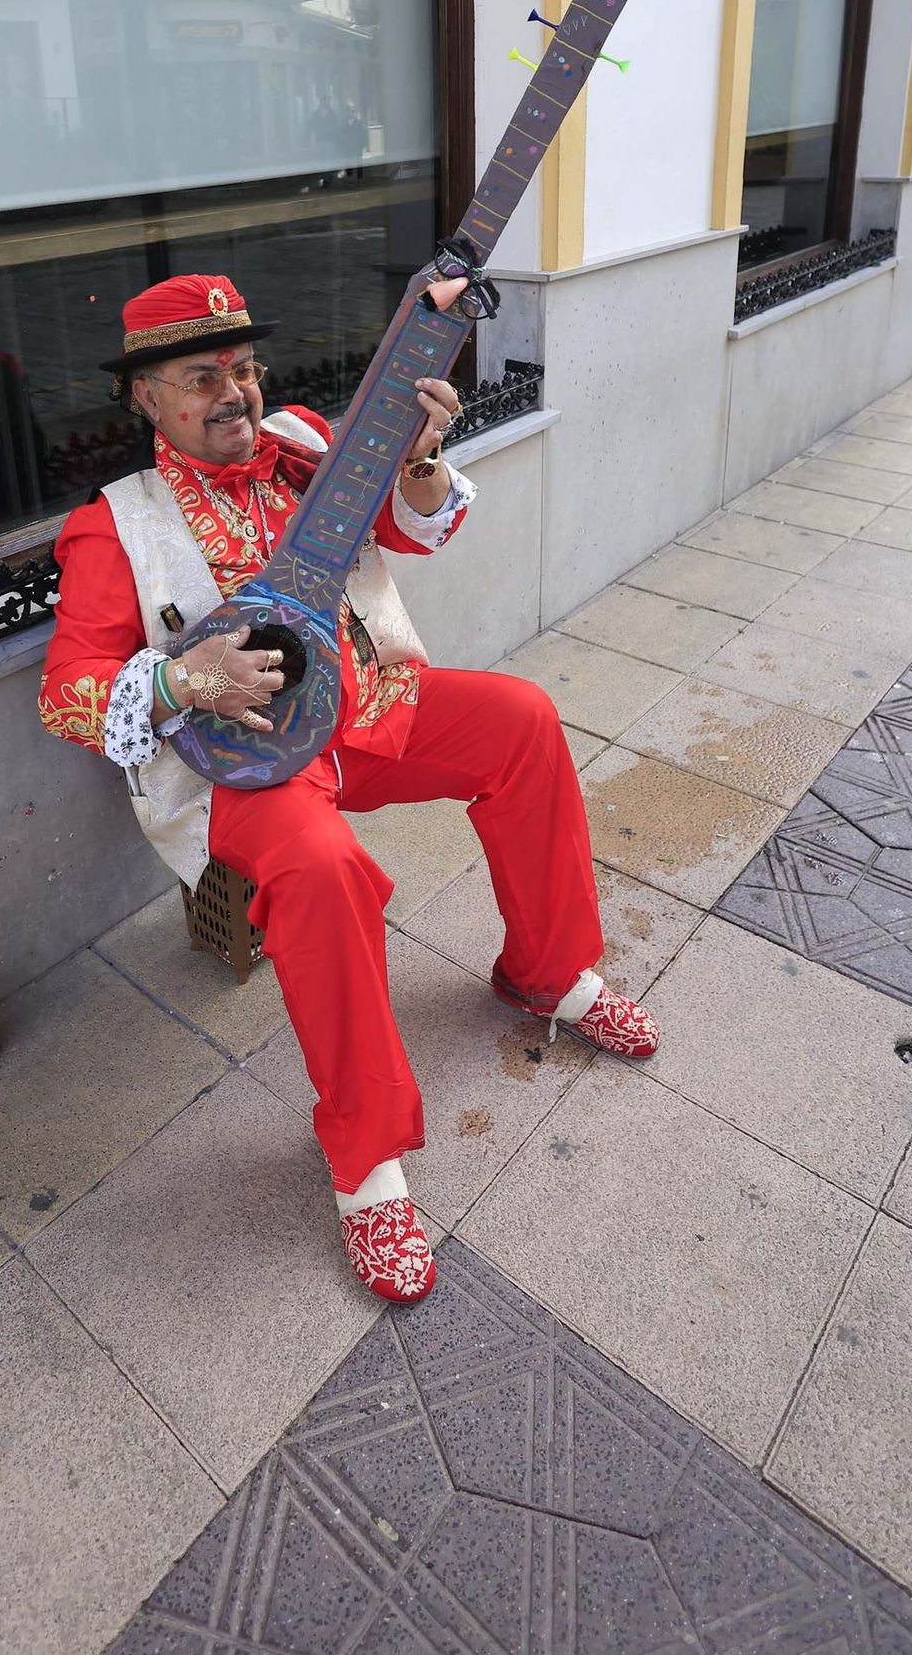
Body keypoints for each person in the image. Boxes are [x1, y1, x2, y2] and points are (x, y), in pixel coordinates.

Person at [37, 272, 660, 1305]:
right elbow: (67, 698)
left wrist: (418, 456)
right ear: (143, 396)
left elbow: (418, 526)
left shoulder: (306, 447)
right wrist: (188, 678)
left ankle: (547, 971)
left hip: (373, 704)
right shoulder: (116, 529)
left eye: (242, 366)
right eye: (201, 377)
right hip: (254, 765)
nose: (234, 391)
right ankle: (366, 1162)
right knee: (327, 872)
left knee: (523, 722)